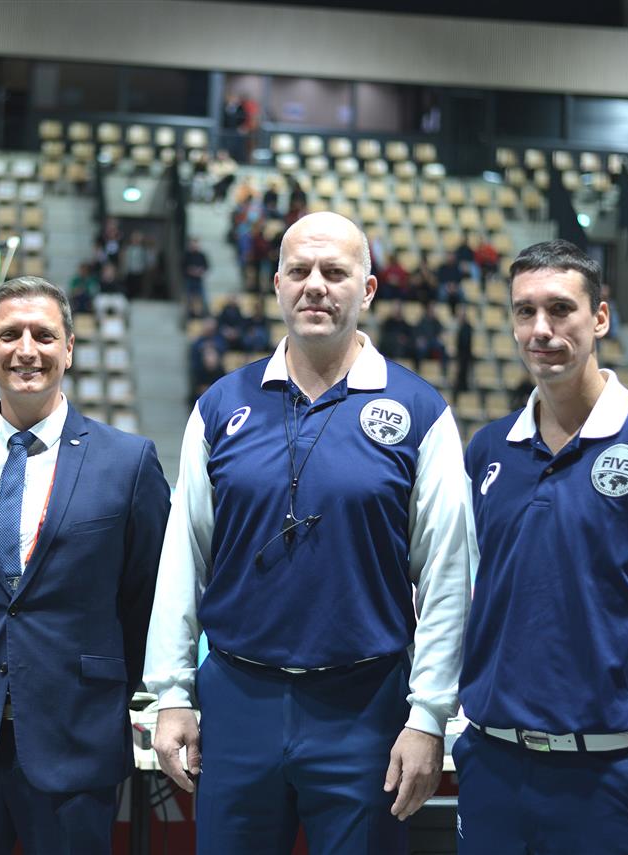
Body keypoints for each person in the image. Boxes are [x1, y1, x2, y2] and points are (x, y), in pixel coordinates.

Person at [144, 211, 473, 854]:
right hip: (238, 699)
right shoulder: (220, 407)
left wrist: (429, 716)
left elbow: (447, 577)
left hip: (365, 706)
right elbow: (184, 558)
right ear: (277, 285)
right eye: (299, 270)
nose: (315, 285)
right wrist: (172, 694)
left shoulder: (420, 413)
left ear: (367, 289)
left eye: (334, 272)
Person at [457, 239, 628, 854]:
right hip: (493, 768)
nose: (541, 329)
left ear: (600, 317)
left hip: (610, 776)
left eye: (561, 309)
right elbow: (470, 597)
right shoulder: (487, 450)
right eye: (525, 311)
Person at [0, 276, 170, 854]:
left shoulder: (128, 462)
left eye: (43, 335)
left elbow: (144, 596)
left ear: (69, 348)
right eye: (9, 334)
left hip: (75, 737)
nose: (27, 350)